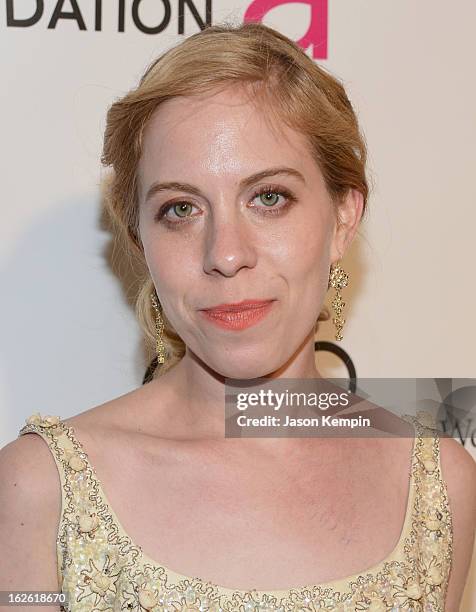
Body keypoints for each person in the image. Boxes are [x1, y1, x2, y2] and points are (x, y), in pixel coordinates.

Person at [1, 21, 475, 612]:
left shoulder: (437, 486)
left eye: (268, 197)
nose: (225, 255)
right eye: (180, 209)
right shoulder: (39, 486)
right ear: (140, 238)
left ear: (344, 218)